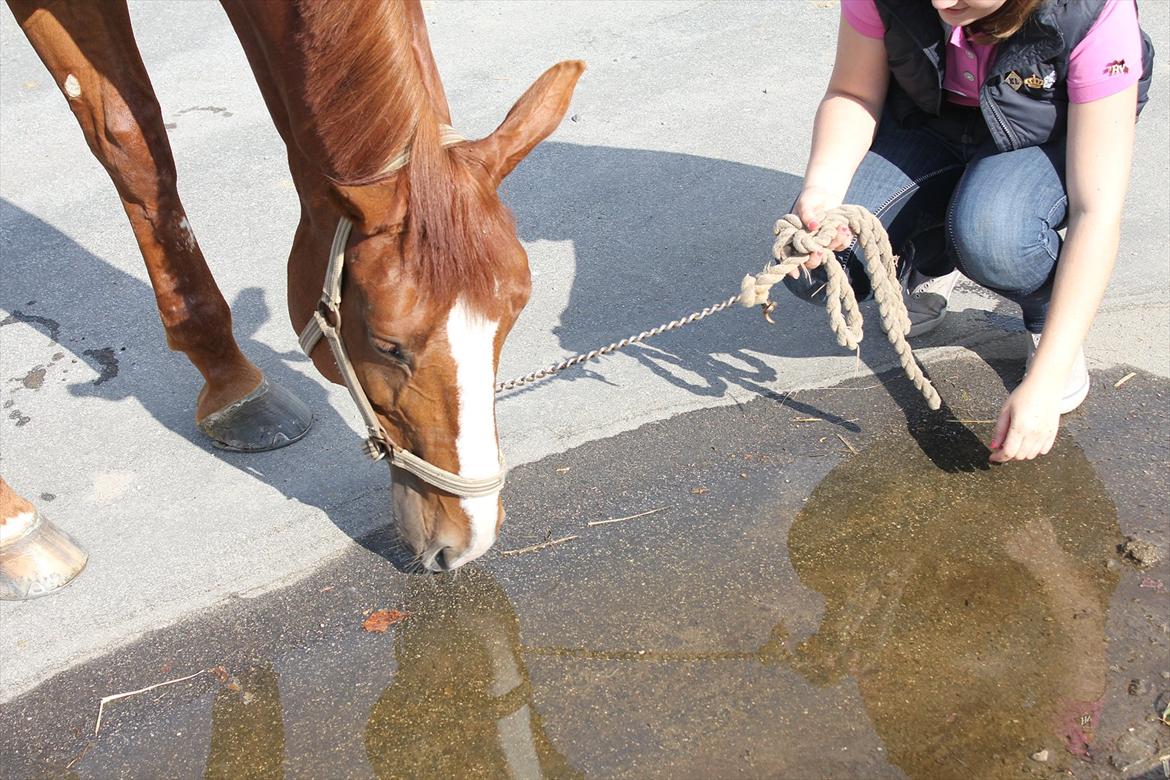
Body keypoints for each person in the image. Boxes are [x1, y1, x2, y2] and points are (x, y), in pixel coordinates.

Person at [782, 0, 1153, 463]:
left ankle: (1047, 313)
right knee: (816, 271)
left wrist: (1047, 378)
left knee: (992, 233)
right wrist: (822, 194)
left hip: (1040, 141)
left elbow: (1095, 212)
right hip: (931, 121)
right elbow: (853, 92)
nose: (940, 2)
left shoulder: (1092, 12)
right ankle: (930, 255)